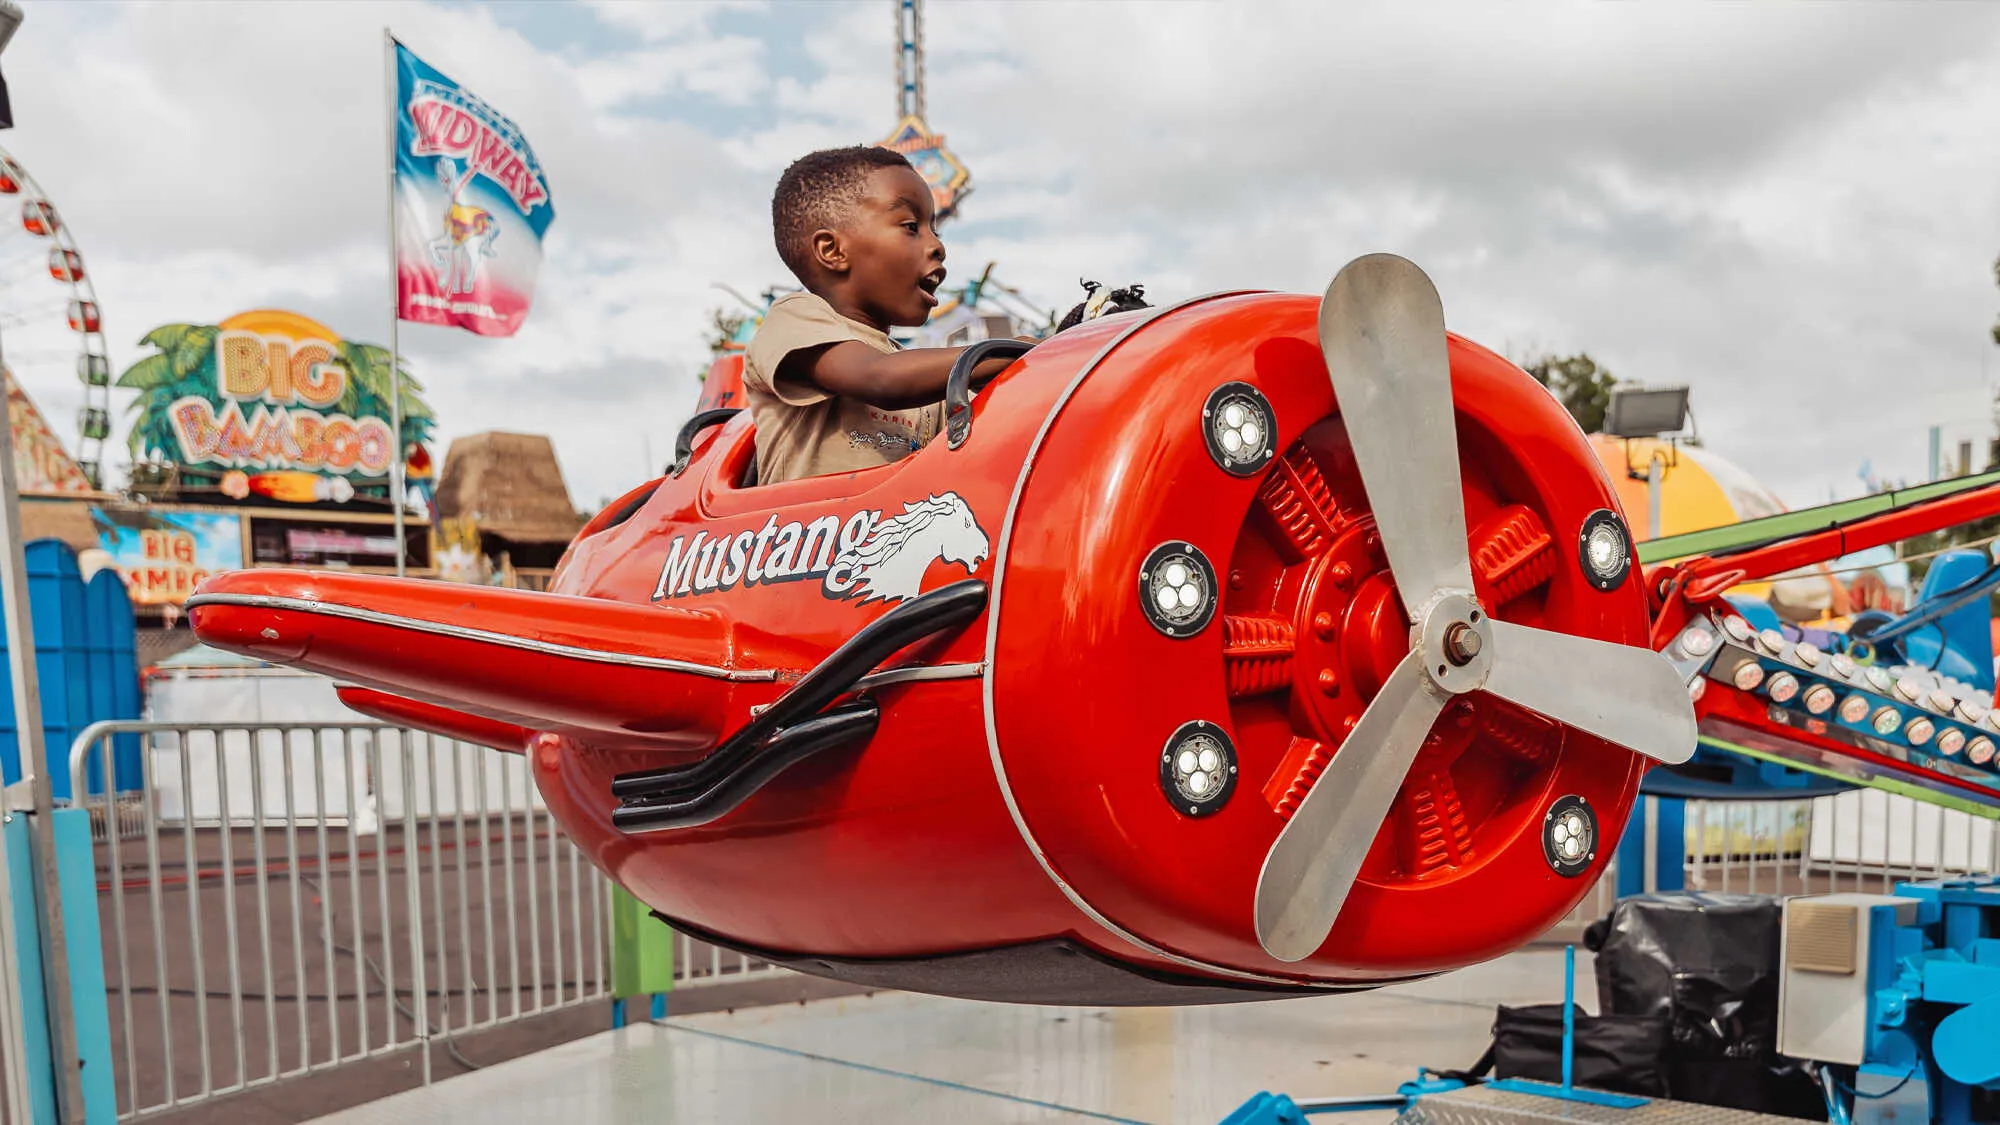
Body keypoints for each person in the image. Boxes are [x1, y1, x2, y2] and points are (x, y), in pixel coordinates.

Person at [744, 146, 1021, 485]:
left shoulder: (924, 385)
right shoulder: (796, 318)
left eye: (935, 231)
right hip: (810, 535)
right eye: (910, 226)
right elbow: (881, 378)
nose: (938, 246)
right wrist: (1023, 352)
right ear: (833, 251)